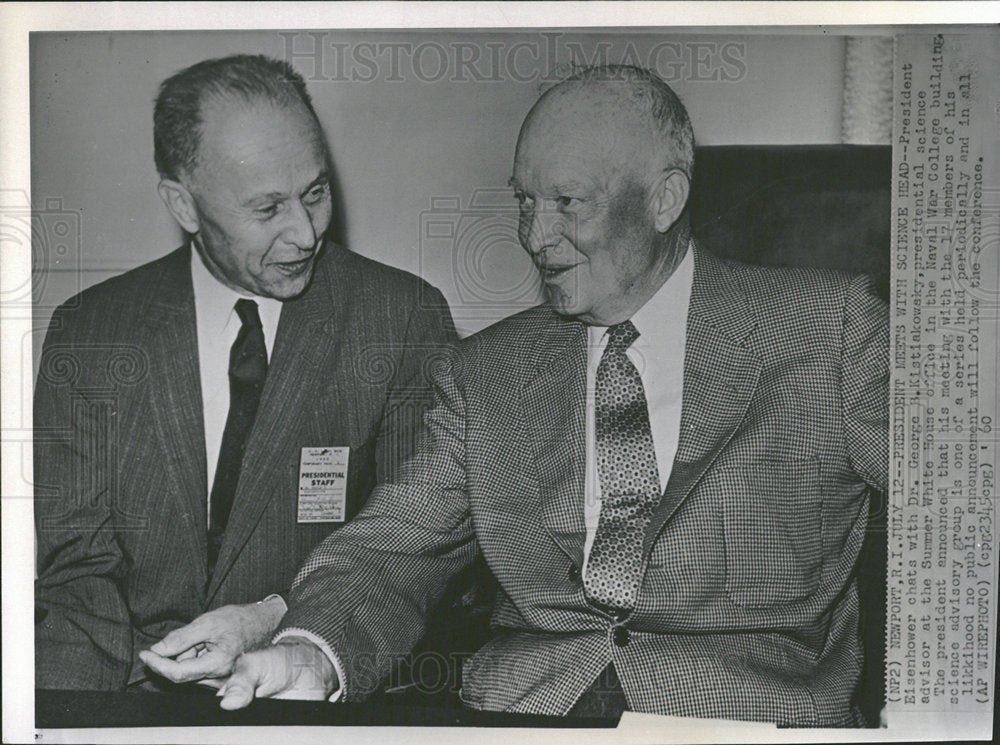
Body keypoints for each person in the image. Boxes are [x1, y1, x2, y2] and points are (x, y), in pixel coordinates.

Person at [153, 64, 888, 727]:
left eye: (567, 202)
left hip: (743, 716)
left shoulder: (829, 330)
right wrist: (312, 652)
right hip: (526, 714)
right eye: (526, 201)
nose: (536, 235)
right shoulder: (487, 371)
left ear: (665, 199)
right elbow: (393, 546)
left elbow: (947, 529)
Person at [34, 54, 456, 691]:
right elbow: (79, 579)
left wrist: (282, 626)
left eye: (315, 194)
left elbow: (419, 551)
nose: (305, 234)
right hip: (126, 692)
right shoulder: (90, 333)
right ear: (184, 205)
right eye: (267, 209)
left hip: (311, 690)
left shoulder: (400, 319)